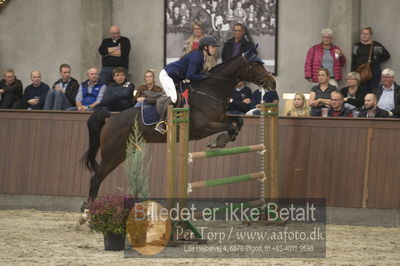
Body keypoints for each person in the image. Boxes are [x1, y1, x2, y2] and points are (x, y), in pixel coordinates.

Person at [156, 35, 219, 134]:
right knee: (174, 98)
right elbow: (190, 76)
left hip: (176, 78)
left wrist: (203, 75)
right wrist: (203, 77)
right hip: (167, 75)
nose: (215, 49)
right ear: (205, 47)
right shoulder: (197, 57)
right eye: (213, 47)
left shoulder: (202, 57)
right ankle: (161, 122)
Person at [352, 26, 390, 93]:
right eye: (362, 33)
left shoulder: (376, 45)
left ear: (370, 35)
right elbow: (354, 59)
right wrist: (353, 72)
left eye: (366, 34)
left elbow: (386, 55)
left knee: (373, 90)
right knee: (361, 90)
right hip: (361, 71)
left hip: (374, 71)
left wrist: (376, 61)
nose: (364, 36)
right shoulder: (357, 46)